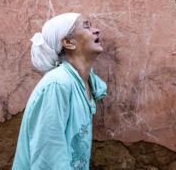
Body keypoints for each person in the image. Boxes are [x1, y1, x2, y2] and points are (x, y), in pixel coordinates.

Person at [12, 13, 107, 170]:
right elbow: (48, 158)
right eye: (86, 26)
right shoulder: (57, 84)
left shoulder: (86, 82)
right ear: (68, 42)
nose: (96, 30)